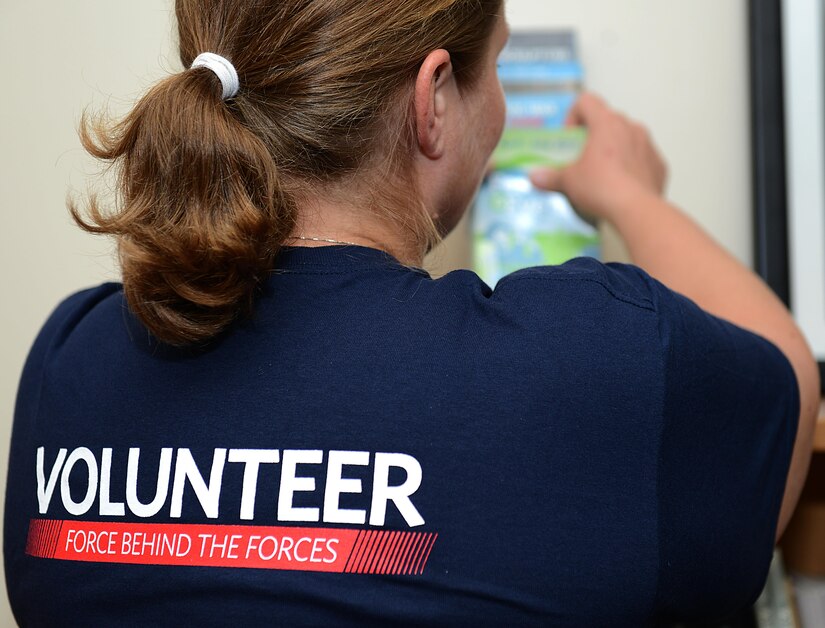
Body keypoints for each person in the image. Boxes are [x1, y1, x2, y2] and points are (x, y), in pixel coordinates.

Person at [4, 0, 818, 625]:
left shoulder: (70, 366)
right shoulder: (588, 367)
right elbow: (783, 372)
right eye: (492, 64)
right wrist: (629, 193)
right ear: (432, 99)